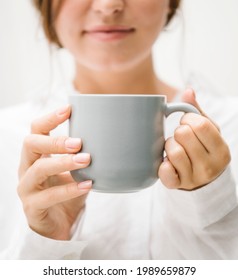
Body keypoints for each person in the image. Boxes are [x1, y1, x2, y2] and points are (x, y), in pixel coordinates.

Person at [0, 0, 238, 259]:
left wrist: (210, 205)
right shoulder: (8, 135)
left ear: (170, 3)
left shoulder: (230, 124)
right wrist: (46, 243)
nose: (108, 5)